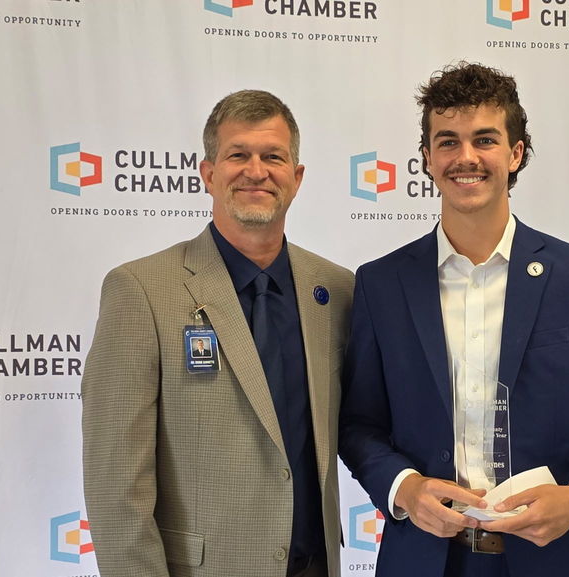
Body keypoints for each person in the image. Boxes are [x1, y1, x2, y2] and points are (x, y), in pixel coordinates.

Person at [338, 62, 569, 577]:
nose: (466, 157)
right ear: (426, 158)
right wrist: (405, 487)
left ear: (515, 153)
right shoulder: (381, 284)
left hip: (554, 559)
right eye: (447, 142)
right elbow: (358, 426)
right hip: (424, 559)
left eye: (484, 140)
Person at [82, 89, 354, 577]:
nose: (256, 170)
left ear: (296, 178)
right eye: (237, 155)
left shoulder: (336, 290)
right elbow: (115, 483)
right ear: (208, 174)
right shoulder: (140, 290)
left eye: (273, 156)